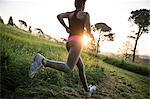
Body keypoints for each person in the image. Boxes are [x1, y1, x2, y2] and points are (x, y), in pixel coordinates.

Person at [29, 0, 96, 97]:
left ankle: (87, 90)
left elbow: (59, 16)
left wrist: (66, 27)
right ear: (83, 4)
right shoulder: (85, 15)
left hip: (69, 41)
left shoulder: (70, 14)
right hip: (77, 41)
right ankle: (43, 61)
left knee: (81, 66)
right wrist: (90, 36)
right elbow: (88, 31)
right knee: (68, 68)